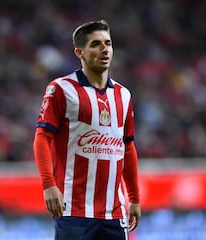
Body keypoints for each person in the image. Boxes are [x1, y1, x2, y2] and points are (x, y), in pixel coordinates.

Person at [33, 19, 141, 240]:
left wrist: (134, 197)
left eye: (108, 43)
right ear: (79, 53)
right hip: (73, 209)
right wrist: (48, 185)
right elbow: (42, 137)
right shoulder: (61, 89)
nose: (104, 49)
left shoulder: (124, 95)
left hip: (114, 211)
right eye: (96, 44)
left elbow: (127, 146)